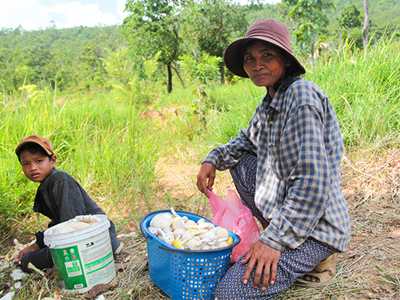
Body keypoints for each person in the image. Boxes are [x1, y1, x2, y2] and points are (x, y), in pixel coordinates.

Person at [196, 18, 350, 299]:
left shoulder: (301, 98)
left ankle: (315, 256)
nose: (257, 64)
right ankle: (282, 241)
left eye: (267, 55)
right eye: (250, 58)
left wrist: (274, 241)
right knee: (241, 160)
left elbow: (311, 183)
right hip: (287, 212)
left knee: (229, 293)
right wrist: (213, 158)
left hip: (316, 226)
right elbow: (245, 141)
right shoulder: (269, 104)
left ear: (286, 61)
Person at [14, 134, 122, 275]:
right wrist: (38, 244)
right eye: (26, 163)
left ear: (52, 161)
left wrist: (61, 265)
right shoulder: (47, 185)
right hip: (81, 238)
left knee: (27, 261)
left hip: (94, 240)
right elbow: (59, 223)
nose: (33, 167)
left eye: (39, 161)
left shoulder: (60, 181)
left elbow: (73, 225)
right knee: (29, 258)